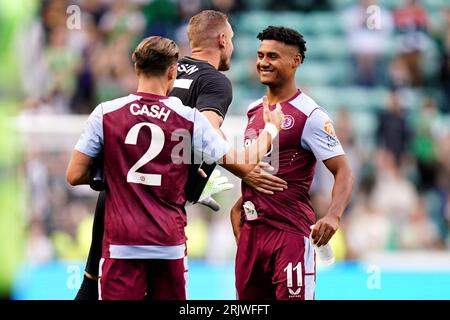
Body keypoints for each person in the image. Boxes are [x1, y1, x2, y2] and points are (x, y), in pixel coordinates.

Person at [74, 10, 287, 300]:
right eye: (233, 40)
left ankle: (88, 281)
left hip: (117, 209)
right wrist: (269, 132)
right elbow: (210, 137)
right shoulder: (212, 85)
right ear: (223, 39)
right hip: (164, 224)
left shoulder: (122, 100)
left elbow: (76, 173)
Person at [230, 26, 354, 300]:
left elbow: (343, 170)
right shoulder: (252, 110)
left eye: (272, 56)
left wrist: (333, 214)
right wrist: (242, 204)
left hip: (288, 235)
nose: (263, 62)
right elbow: (259, 166)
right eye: (260, 55)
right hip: (252, 236)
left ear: (295, 61)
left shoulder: (310, 114)